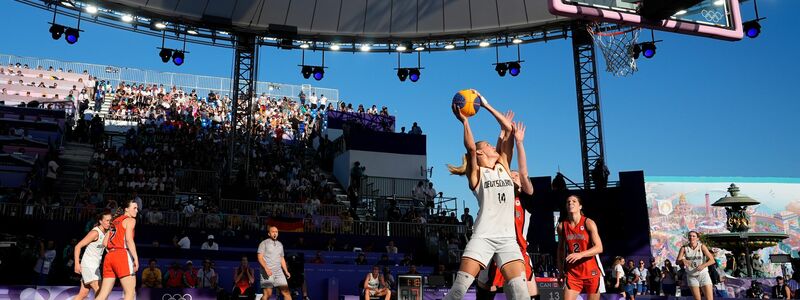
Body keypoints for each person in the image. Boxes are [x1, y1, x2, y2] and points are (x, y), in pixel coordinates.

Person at [444, 90, 529, 300]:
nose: (493, 146)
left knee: (520, 293)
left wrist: (487, 105)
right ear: (481, 153)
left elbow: (509, 128)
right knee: (457, 291)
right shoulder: (477, 174)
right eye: (488, 145)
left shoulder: (504, 166)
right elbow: (471, 148)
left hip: (507, 239)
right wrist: (464, 122)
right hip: (482, 237)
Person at [476, 120, 538, 300]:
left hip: (518, 250)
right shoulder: (497, 192)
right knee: (488, 286)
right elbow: (496, 162)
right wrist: (502, 135)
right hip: (493, 246)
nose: (514, 176)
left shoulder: (525, 198)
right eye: (511, 175)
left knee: (530, 292)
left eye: (515, 175)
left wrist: (519, 142)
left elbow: (524, 173)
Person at [557, 195, 605, 300]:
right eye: (568, 201)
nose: (570, 203)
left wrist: (581, 254)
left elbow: (599, 247)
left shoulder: (588, 223)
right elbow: (560, 251)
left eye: (574, 201)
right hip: (573, 273)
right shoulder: (562, 226)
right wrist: (560, 271)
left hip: (591, 271)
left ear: (580, 206)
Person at [95, 199, 139, 300]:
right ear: (126, 209)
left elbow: (104, 243)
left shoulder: (114, 221)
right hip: (122, 254)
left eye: (137, 208)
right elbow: (129, 240)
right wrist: (136, 258)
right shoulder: (131, 220)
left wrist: (112, 251)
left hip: (109, 257)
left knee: (102, 295)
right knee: (130, 293)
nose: (137, 210)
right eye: (134, 208)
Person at [73, 211, 112, 300]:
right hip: (89, 265)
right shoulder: (95, 232)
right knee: (101, 293)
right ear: (100, 221)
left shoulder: (106, 233)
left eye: (110, 221)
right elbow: (77, 246)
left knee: (83, 294)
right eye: (106, 220)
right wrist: (76, 264)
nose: (109, 223)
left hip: (95, 267)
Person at [676, 231, 716, 300]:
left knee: (709, 299)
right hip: (692, 276)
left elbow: (712, 260)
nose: (691, 237)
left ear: (697, 238)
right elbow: (677, 262)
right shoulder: (684, 248)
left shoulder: (702, 246)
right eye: (690, 236)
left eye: (694, 236)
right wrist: (683, 260)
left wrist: (703, 265)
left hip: (703, 274)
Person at [257, 226, 292, 300]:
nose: (275, 233)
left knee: (286, 293)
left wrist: (286, 271)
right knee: (268, 294)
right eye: (273, 232)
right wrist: (266, 268)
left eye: (276, 232)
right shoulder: (263, 243)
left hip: (279, 272)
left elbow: (282, 258)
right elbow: (260, 257)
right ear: (269, 234)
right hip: (267, 272)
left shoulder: (280, 244)